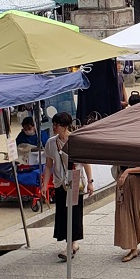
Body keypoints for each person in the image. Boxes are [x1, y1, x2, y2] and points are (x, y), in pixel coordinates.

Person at [43, 112, 94, 261]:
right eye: (53, 124)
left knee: (73, 212)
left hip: (74, 178)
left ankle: (70, 246)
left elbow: (85, 162)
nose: (54, 127)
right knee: (62, 212)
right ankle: (72, 243)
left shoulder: (75, 141)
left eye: (57, 125)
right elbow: (48, 165)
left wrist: (90, 182)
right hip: (59, 181)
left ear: (65, 126)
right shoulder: (51, 142)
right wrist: (44, 185)